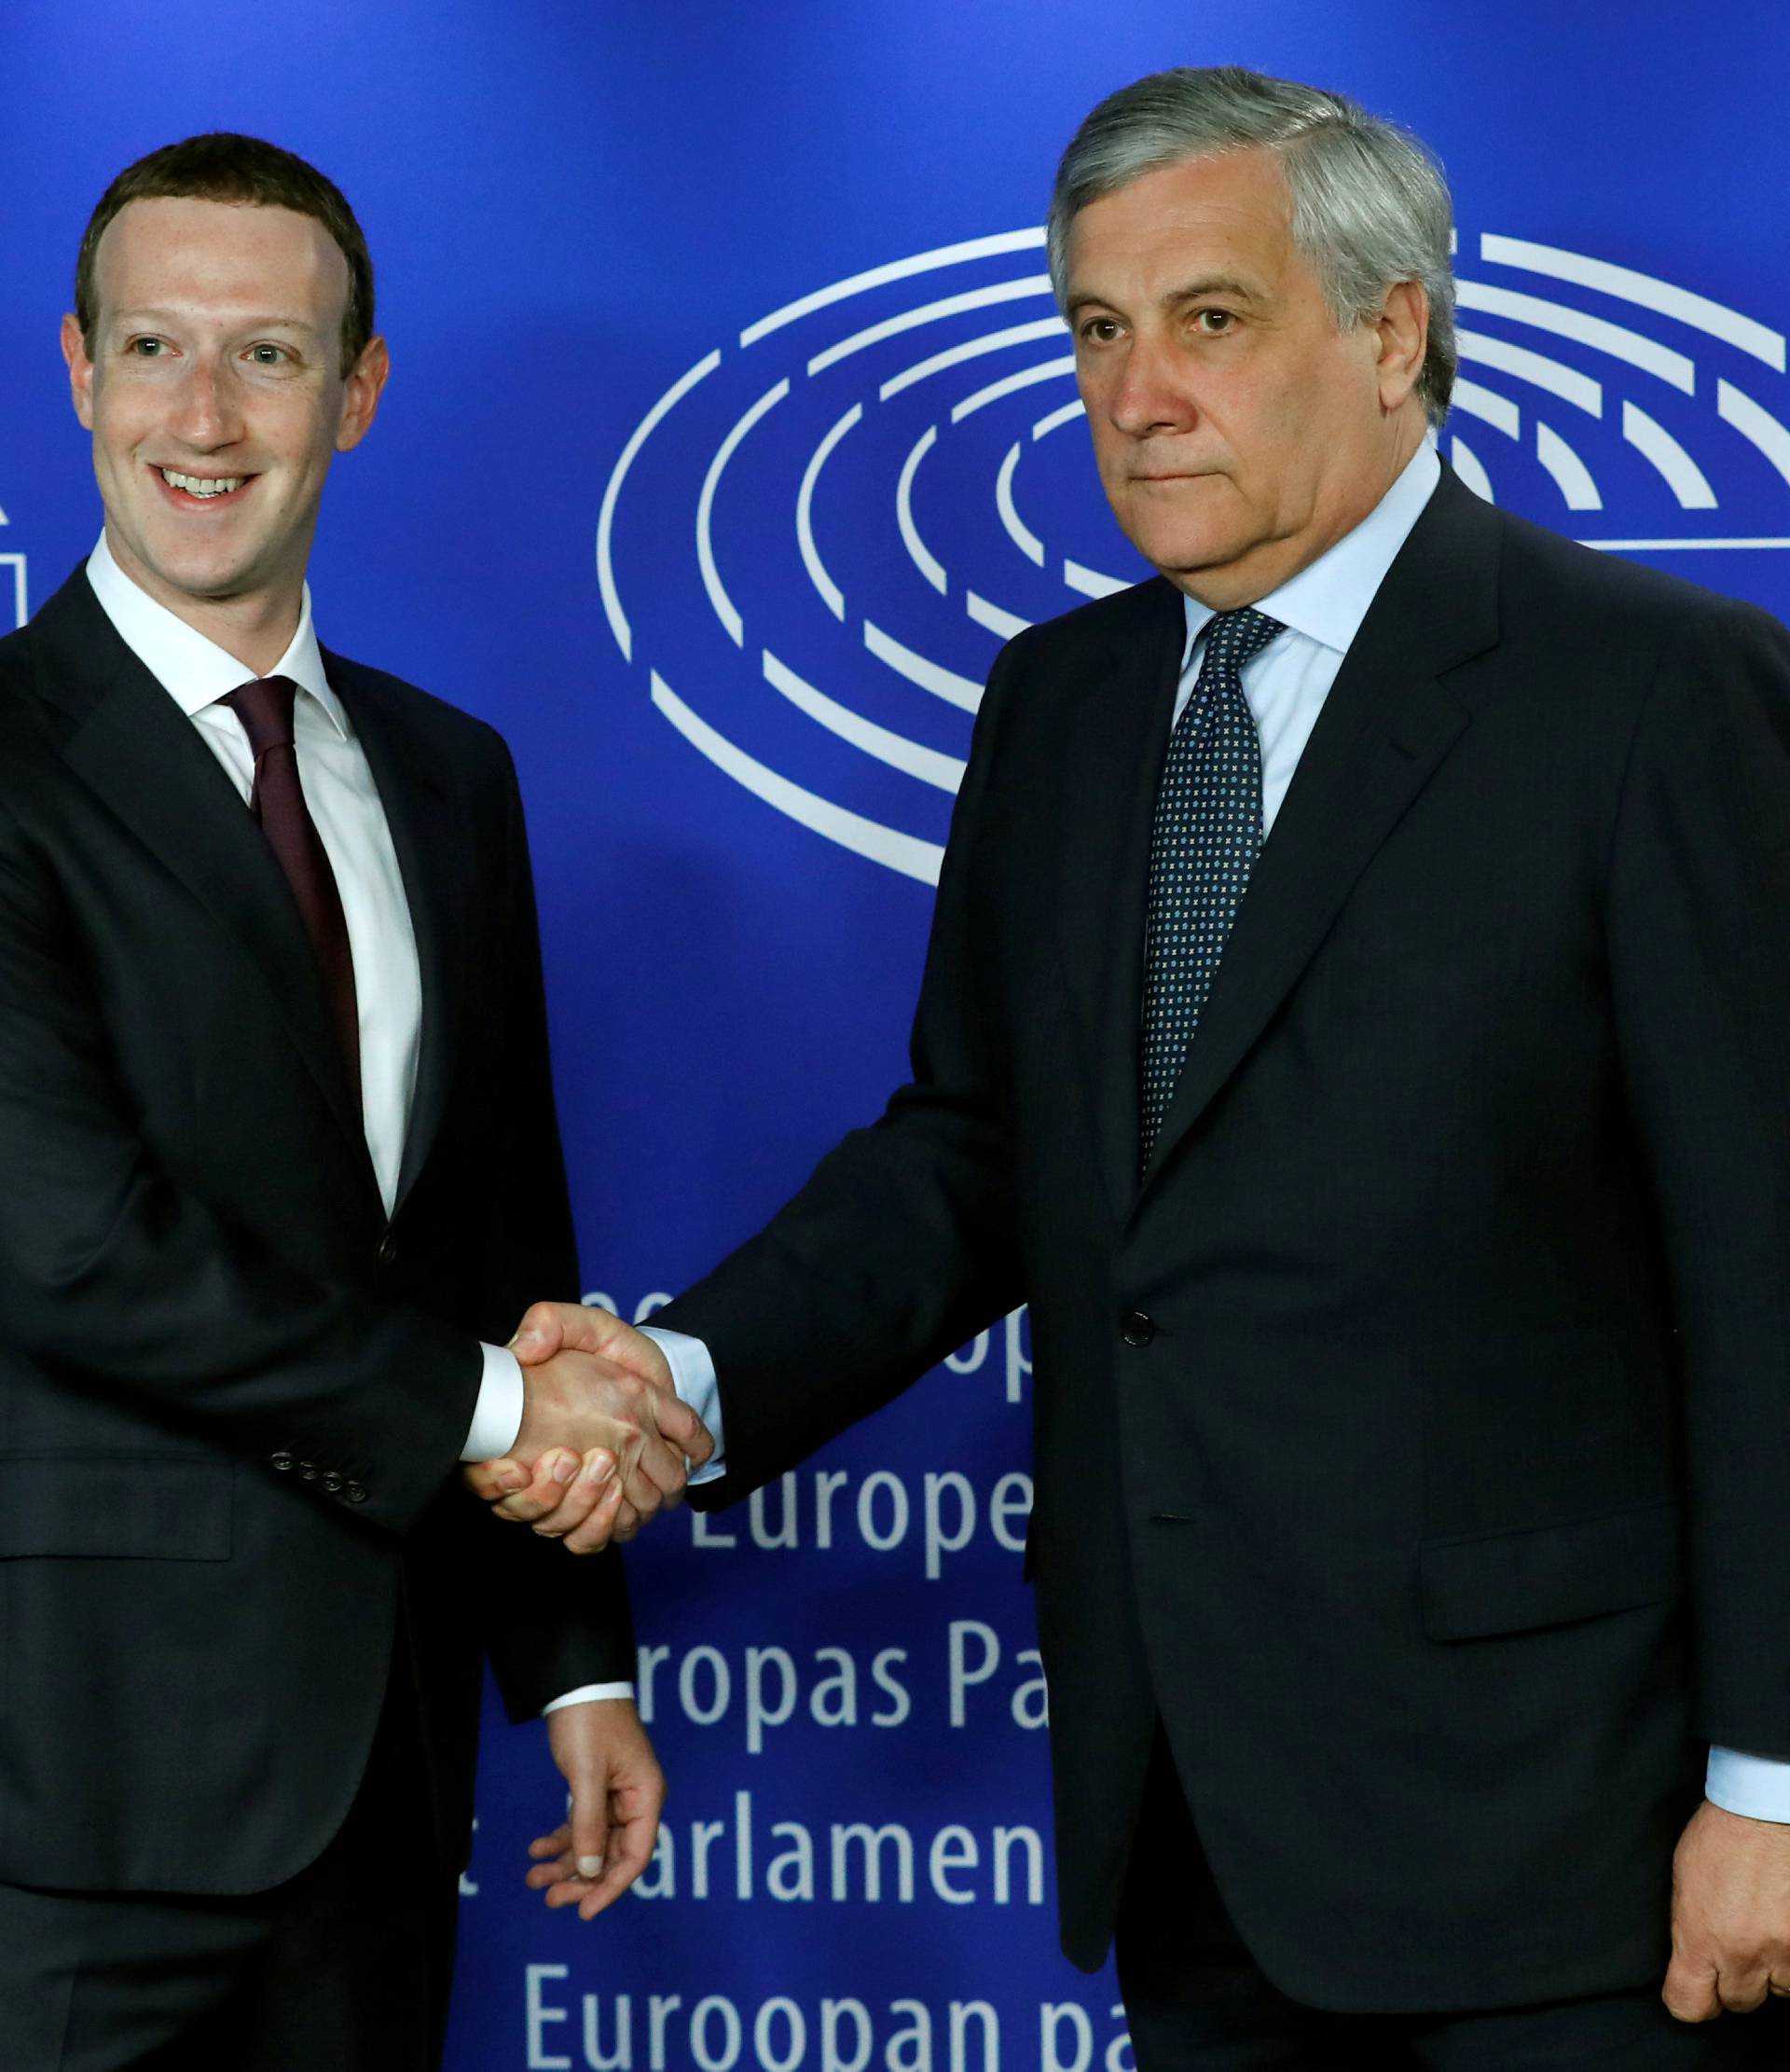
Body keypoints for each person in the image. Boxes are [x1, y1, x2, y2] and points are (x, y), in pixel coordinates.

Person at [474, 64, 1790, 2071]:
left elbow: (1769, 1270)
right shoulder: (1065, 701)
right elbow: (981, 1153)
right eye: (1098, 329)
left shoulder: (1655, 696)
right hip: (1191, 1826)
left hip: (1573, 1855)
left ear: (1390, 330)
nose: (1136, 393)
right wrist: (686, 1378)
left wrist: (1773, 1788)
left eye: (1210, 320)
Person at [0, 133, 708, 2070]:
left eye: (270, 357)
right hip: (65, 1801)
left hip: (383, 1784)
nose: (202, 418)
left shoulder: (448, 774)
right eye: (153, 349)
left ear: (361, 390)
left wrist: (571, 1669)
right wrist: (503, 1409)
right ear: (76, 370)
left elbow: (499, 1237)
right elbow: (69, 1248)